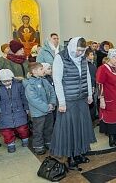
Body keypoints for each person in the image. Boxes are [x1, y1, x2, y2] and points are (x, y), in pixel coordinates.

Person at [51, 37, 96, 171]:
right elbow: (57, 80)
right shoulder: (60, 57)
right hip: (68, 100)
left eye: (82, 51)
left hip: (81, 98)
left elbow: (87, 75)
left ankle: (79, 153)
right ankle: (70, 157)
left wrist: (89, 94)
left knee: (81, 127)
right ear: (71, 47)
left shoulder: (82, 57)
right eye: (78, 50)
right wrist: (62, 102)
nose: (79, 53)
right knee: (70, 130)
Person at [23, 63, 56, 155]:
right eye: (41, 69)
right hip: (38, 113)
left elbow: (52, 91)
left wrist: (52, 103)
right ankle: (38, 146)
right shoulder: (30, 85)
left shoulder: (44, 80)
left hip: (49, 110)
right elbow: (33, 100)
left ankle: (48, 142)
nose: (44, 71)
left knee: (49, 128)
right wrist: (46, 107)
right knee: (38, 130)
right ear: (34, 71)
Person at [0, 69, 29, 153]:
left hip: (19, 111)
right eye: (4, 81)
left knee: (22, 128)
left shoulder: (18, 85)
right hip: (3, 113)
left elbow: (24, 97)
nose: (7, 83)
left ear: (12, 78)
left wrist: (26, 107)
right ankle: (10, 143)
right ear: (0, 80)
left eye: (9, 80)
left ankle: (25, 139)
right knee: (6, 131)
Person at [86, 48, 98, 121]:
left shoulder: (91, 64)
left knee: (93, 103)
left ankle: (92, 118)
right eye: (91, 54)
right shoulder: (88, 65)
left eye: (93, 54)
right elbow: (91, 78)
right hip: (89, 87)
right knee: (91, 104)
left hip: (92, 86)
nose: (93, 56)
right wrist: (93, 86)